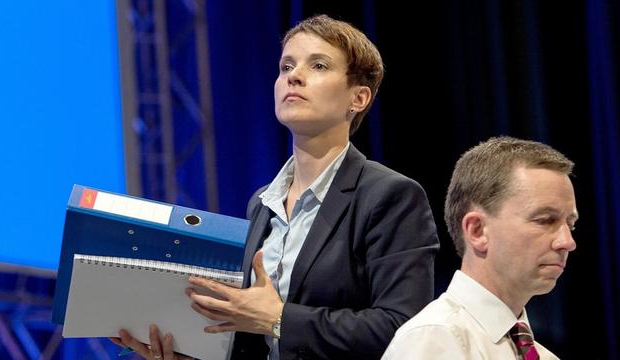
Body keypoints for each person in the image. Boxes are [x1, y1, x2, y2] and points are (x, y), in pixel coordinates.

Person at [112, 14, 439, 359]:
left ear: (358, 98)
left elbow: (404, 330)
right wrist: (189, 353)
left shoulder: (389, 196)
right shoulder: (262, 203)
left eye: (318, 66)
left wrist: (279, 318)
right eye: (286, 67)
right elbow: (255, 337)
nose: (293, 77)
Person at [381, 136, 578, 359]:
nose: (567, 242)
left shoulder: (545, 356)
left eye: (570, 224)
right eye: (544, 220)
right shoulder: (434, 339)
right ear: (477, 231)